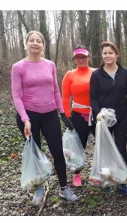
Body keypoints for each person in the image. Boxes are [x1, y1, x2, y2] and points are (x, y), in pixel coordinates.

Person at [11, 30, 78, 205]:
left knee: (57, 152)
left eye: (38, 41)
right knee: (36, 153)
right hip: (29, 116)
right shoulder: (18, 67)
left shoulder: (50, 65)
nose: (35, 43)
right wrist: (25, 119)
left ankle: (64, 188)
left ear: (43, 45)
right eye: (31, 40)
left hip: (50, 114)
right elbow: (17, 96)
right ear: (26, 44)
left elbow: (56, 90)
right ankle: (39, 188)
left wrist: (62, 113)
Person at [90, 41, 127, 196]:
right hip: (104, 118)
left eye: (110, 53)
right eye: (105, 53)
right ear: (102, 56)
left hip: (122, 116)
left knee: (121, 148)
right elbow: (93, 98)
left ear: (117, 54)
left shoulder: (125, 72)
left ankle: (122, 180)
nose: (107, 56)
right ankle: (107, 179)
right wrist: (98, 112)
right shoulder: (96, 75)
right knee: (105, 149)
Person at [62, 45, 96, 187]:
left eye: (83, 57)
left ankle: (100, 172)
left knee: (101, 143)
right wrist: (66, 116)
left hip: (96, 115)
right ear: (74, 59)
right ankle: (77, 174)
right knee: (78, 146)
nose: (81, 60)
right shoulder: (70, 75)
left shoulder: (96, 73)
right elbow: (65, 97)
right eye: (78, 57)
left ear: (88, 57)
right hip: (78, 115)